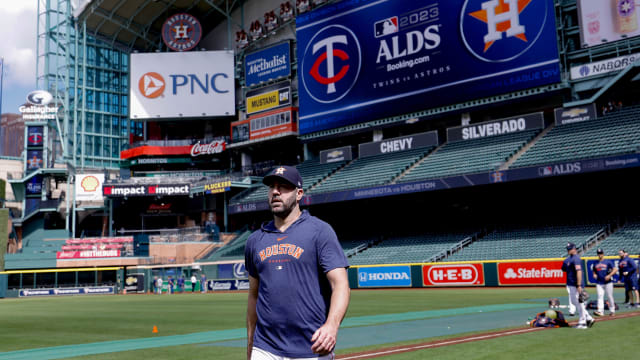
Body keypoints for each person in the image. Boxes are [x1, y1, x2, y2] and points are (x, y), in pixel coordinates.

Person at [245, 165, 350, 359]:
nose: (275, 192)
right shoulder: (254, 241)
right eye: (272, 187)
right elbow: (253, 295)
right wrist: (251, 344)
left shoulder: (320, 231)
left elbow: (341, 284)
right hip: (265, 348)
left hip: (311, 346)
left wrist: (331, 326)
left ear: (299, 193)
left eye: (283, 186)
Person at [561, 242, 594, 329]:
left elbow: (579, 272)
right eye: (567, 249)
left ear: (574, 249)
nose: (568, 250)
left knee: (579, 301)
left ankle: (582, 322)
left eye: (570, 248)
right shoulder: (568, 259)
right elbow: (563, 269)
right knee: (574, 301)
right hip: (570, 283)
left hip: (575, 284)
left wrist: (579, 285)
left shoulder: (576, 258)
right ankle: (588, 317)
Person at [592, 248, 617, 316]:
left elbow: (615, 269)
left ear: (603, 253)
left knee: (609, 296)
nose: (600, 255)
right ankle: (600, 311)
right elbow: (594, 270)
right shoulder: (595, 262)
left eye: (601, 253)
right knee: (600, 296)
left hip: (608, 282)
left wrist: (609, 275)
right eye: (598, 253)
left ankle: (612, 310)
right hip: (599, 282)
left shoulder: (608, 262)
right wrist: (594, 274)